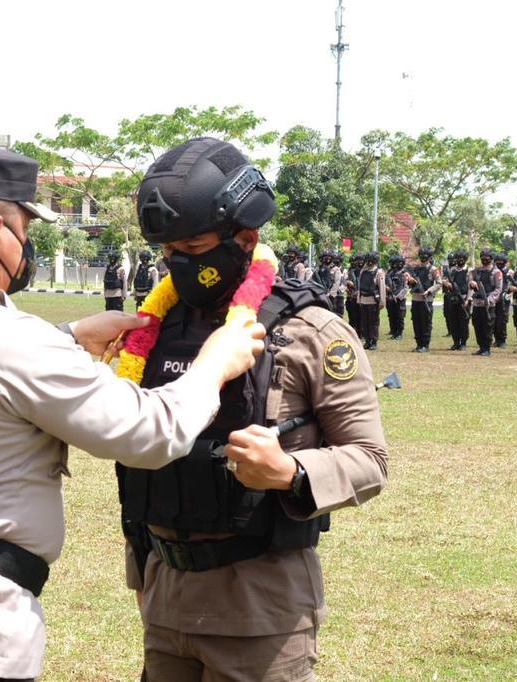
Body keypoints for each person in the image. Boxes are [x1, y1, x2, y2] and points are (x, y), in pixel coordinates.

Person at [0, 139, 266, 682]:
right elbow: (149, 433)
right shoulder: (4, 338)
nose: (27, 246)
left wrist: (67, 338)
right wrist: (214, 363)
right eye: (25, 230)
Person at [119, 137, 388, 681]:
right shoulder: (156, 328)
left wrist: (290, 471)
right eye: (168, 253)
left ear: (246, 238)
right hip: (166, 597)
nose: (179, 265)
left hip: (260, 607)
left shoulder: (311, 332)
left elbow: (370, 459)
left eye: (193, 249)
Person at [466, 248, 503, 356]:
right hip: (477, 303)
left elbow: (498, 289)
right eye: (482, 258)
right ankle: (481, 347)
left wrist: (490, 299)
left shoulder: (496, 272)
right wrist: (471, 284)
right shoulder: (476, 271)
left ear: (491, 259)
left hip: (488, 305)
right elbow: (470, 284)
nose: (484, 260)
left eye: (487, 259)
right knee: (477, 325)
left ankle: (486, 348)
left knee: (487, 326)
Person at [405, 247, 442, 352]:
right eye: (421, 255)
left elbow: (439, 283)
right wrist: (410, 280)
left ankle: (425, 345)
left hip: (427, 299)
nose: (422, 258)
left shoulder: (433, 269)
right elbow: (410, 283)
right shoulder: (415, 268)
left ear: (429, 257)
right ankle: (419, 344)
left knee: (426, 323)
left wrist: (429, 291)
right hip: (415, 298)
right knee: (416, 322)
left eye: (425, 256)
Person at [356, 251, 387, 350]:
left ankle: (373, 341)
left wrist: (382, 302)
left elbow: (382, 288)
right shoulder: (363, 271)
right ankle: (367, 340)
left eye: (371, 260)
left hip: (373, 301)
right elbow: (360, 287)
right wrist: (359, 299)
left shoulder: (379, 272)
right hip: (364, 300)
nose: (369, 262)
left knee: (373, 323)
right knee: (365, 322)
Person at [442, 250, 471, 351]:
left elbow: (470, 287)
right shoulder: (452, 270)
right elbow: (443, 280)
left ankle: (463, 343)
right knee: (453, 321)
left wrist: (467, 300)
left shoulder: (469, 270)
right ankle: (455, 342)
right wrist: (447, 284)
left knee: (463, 323)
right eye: (458, 259)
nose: (460, 261)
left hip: (464, 299)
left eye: (462, 259)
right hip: (452, 299)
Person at [385, 253, 408, 340]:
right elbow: (387, 283)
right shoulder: (391, 273)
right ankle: (394, 332)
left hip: (400, 298)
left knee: (400, 316)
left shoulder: (405, 273)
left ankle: (399, 333)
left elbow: (406, 287)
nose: (394, 265)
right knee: (392, 315)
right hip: (391, 297)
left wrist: (398, 296)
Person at [492, 252, 511, 348]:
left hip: (504, 299)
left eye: (501, 262)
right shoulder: (493, 271)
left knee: (502, 320)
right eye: (497, 262)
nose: (499, 264)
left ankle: (502, 340)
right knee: (494, 319)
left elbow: (511, 285)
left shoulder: (509, 272)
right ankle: (496, 339)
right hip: (494, 298)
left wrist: (507, 291)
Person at [344, 252, 364, 335]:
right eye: (356, 261)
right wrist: (347, 284)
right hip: (352, 296)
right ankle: (355, 331)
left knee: (361, 315)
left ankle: (361, 332)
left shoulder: (363, 271)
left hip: (361, 296)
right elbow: (346, 281)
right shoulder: (351, 271)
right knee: (353, 315)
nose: (357, 263)